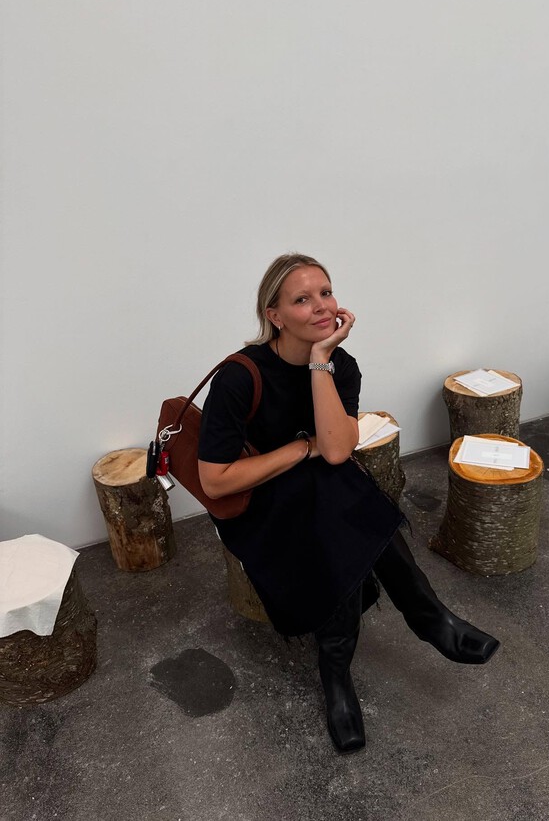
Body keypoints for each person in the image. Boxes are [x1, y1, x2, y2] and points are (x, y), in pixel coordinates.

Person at [198, 253, 499, 753]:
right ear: (274, 315)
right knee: (339, 501)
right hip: (256, 505)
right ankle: (424, 619)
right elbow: (215, 480)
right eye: (302, 299)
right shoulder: (239, 377)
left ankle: (339, 669)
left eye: (326, 292)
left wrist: (321, 361)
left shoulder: (341, 366)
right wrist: (302, 449)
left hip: (319, 491)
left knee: (335, 493)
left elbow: (337, 450)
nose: (321, 306)